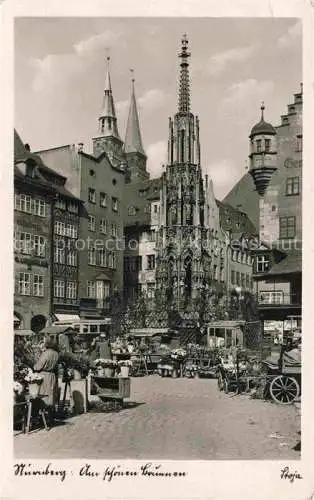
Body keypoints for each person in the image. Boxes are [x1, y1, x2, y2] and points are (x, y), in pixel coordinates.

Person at [33, 335, 59, 422]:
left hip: (44, 376)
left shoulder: (46, 353)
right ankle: (50, 416)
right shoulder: (56, 353)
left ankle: (42, 417)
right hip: (52, 376)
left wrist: (34, 366)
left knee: (43, 396)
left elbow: (39, 366)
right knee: (51, 395)